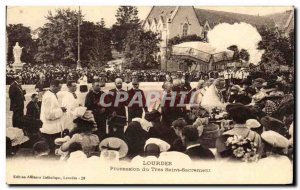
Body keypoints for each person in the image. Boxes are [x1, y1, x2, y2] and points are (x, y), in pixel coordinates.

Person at [40, 79, 66, 155]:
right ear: (53, 86)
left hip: (53, 128)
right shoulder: (49, 97)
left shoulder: (52, 94)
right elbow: (48, 115)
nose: (60, 90)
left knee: (53, 149)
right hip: (50, 129)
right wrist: (61, 110)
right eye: (59, 88)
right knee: (51, 150)